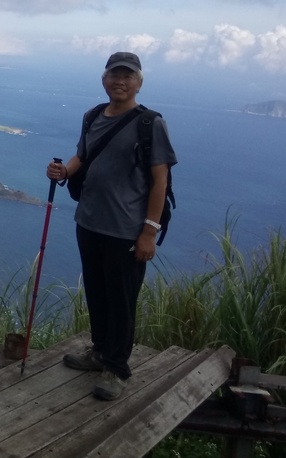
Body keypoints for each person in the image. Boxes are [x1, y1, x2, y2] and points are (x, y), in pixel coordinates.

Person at [46, 51, 177, 401]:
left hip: (126, 230)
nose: (120, 81)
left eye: (128, 76)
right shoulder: (92, 116)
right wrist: (65, 171)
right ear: (103, 79)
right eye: (114, 74)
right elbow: (83, 155)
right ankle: (99, 351)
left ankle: (116, 368)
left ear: (139, 82)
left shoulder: (150, 124)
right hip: (88, 222)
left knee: (121, 300)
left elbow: (159, 180)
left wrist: (149, 231)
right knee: (97, 292)